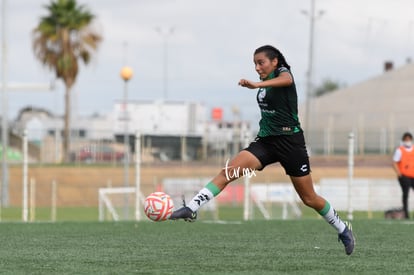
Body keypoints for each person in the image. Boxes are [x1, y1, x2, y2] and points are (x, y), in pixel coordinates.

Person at [170, 45, 355, 255]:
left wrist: (257, 83)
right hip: (265, 143)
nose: (257, 67)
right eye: (255, 64)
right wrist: (259, 84)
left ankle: (343, 229)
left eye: (261, 63)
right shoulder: (265, 83)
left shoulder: (282, 74)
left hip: (290, 143)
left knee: (309, 198)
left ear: (274, 61)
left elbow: (288, 80)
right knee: (228, 172)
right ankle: (191, 208)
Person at [392, 132, 414, 219]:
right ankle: (406, 214)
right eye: (406, 139)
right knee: (406, 194)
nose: (408, 141)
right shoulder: (400, 150)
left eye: (409, 139)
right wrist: (399, 174)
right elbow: (394, 162)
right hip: (404, 176)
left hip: (413, 176)